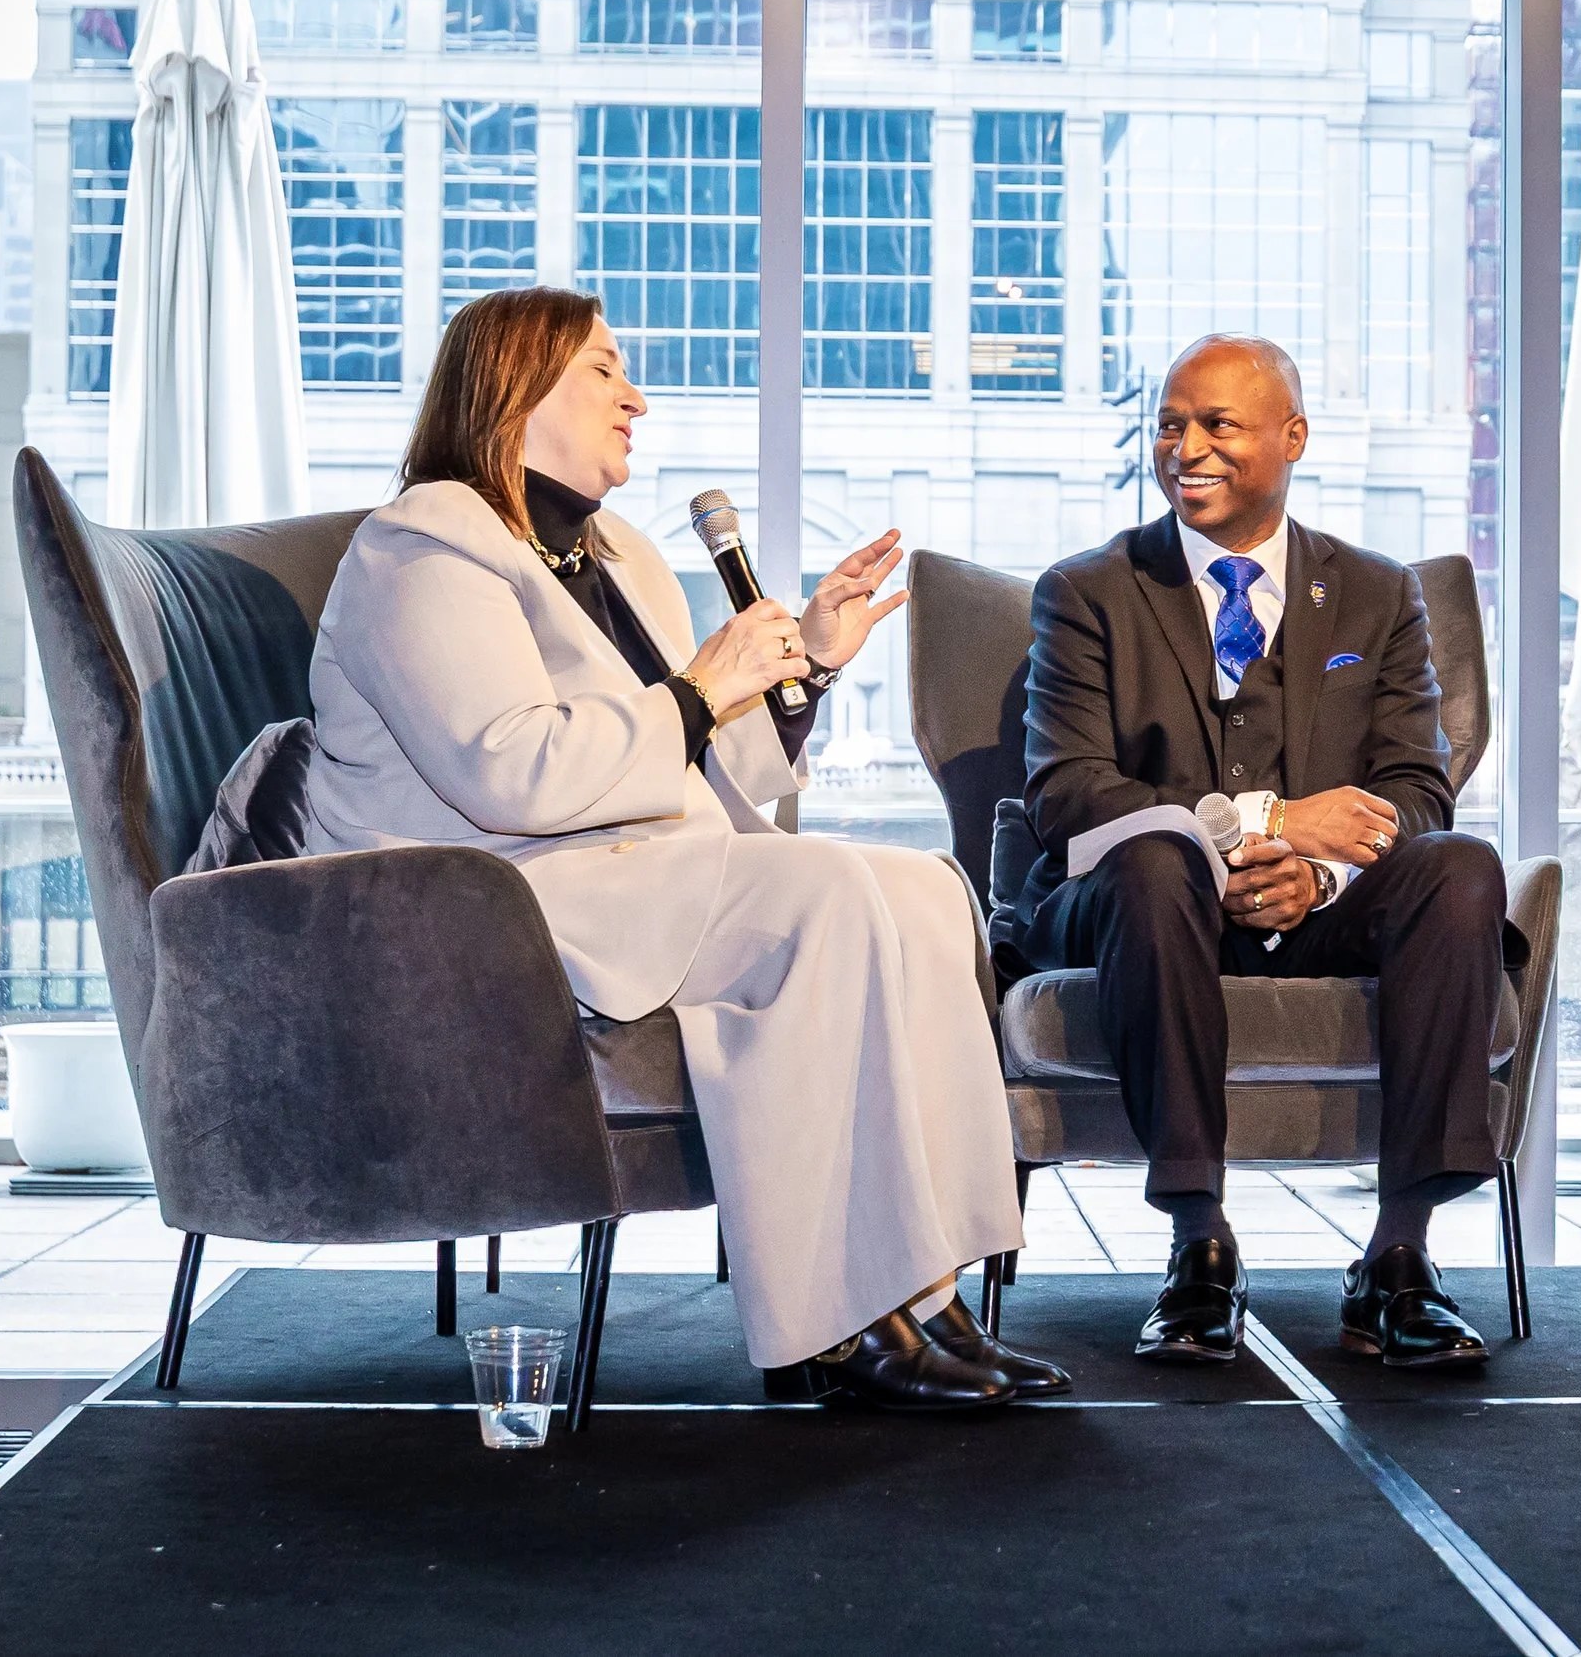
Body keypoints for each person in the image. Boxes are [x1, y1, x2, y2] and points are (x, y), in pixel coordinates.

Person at [300, 286, 1068, 1411]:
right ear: (517, 387)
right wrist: (706, 683)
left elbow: (717, 757)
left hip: (630, 866)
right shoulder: (421, 547)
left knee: (921, 890)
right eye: (607, 371)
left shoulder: (610, 549)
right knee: (827, 898)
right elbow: (509, 767)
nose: (637, 398)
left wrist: (803, 661)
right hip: (492, 899)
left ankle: (929, 1287)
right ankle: (837, 1321)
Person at [1002, 333, 1522, 1369]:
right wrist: (1264, 825)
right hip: (1135, 895)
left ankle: (1399, 1255)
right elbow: (1068, 794)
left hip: (1321, 905)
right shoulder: (1086, 590)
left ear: (1291, 437)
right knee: (1157, 864)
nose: (1182, 447)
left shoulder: (1377, 595)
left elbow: (1417, 789)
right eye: (1168, 424)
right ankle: (1199, 1242)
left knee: (1460, 868)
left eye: (1215, 425)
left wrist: (1321, 872)